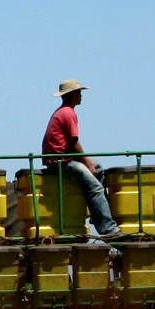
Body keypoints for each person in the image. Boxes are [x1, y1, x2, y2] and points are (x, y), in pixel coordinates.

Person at [42, 80, 123, 237]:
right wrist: (86, 162)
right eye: (79, 93)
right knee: (96, 188)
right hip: (61, 162)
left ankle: (97, 214)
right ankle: (109, 230)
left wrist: (90, 163)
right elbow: (73, 142)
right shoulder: (68, 113)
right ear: (72, 95)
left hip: (62, 158)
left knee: (99, 169)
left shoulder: (63, 111)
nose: (81, 96)